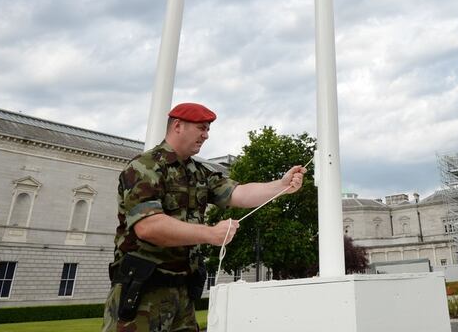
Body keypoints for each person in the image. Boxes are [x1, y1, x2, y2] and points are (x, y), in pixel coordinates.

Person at [102, 102, 306, 332]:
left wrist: (280, 185)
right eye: (201, 128)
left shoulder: (198, 172)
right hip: (142, 293)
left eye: (207, 129)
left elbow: (239, 194)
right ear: (178, 125)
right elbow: (149, 227)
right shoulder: (144, 167)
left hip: (183, 294)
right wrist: (211, 234)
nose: (206, 135)